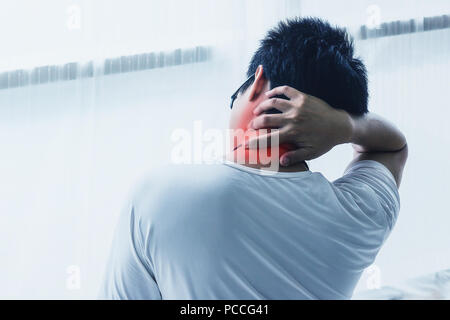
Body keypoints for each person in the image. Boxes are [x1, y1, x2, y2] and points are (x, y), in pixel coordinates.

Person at [99, 17, 407, 299]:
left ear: (257, 81)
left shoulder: (159, 195)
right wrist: (347, 125)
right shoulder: (362, 215)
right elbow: (393, 146)